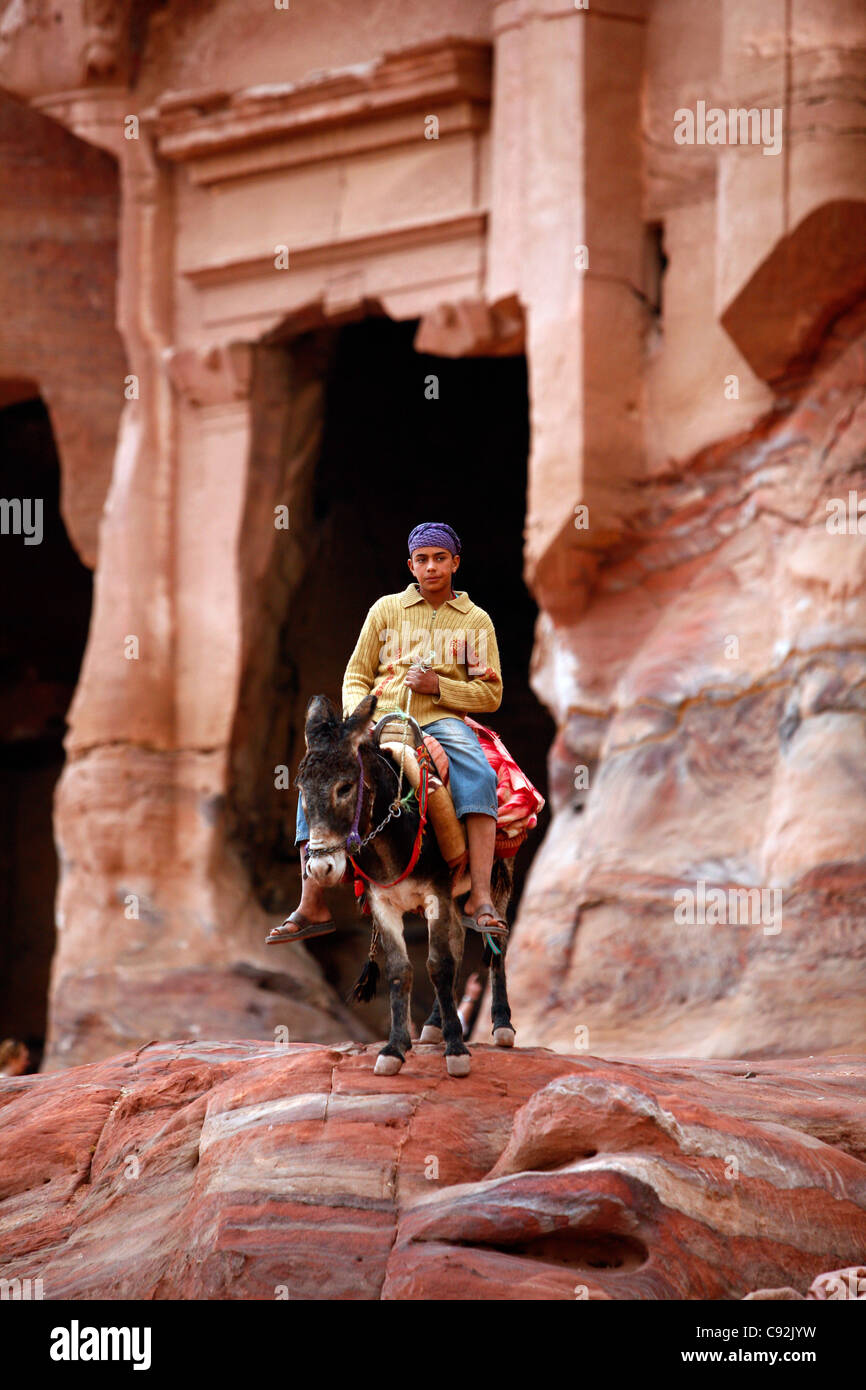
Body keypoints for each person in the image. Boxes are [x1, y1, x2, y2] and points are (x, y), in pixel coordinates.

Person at [266, 520, 509, 943]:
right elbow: (356, 675)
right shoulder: (385, 610)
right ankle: (311, 902)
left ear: (455, 563)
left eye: (440, 559)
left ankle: (481, 897)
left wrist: (439, 687)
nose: (431, 567)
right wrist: (358, 723)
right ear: (410, 566)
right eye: (422, 559)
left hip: (442, 721)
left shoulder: (474, 622)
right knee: (319, 772)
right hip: (379, 720)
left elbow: (490, 693)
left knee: (479, 774)